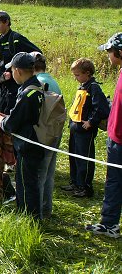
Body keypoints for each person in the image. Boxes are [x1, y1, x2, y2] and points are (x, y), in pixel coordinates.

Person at [0, 52, 45, 219]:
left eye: (12, 70)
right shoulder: (35, 86)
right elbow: (22, 117)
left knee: (25, 183)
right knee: (29, 181)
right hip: (33, 141)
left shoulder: (28, 94)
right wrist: (6, 117)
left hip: (28, 145)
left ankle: (29, 217)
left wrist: (1, 120)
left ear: (18, 71)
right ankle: (30, 213)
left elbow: (11, 124)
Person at [86, 32, 122, 238]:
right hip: (114, 136)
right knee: (113, 181)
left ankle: (110, 224)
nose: (107, 55)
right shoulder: (121, 72)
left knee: (115, 181)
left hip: (120, 141)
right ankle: (109, 223)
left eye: (109, 51)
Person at [63, 58, 110, 198]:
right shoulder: (82, 86)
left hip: (85, 131)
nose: (75, 78)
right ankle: (75, 182)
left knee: (85, 158)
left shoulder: (93, 87)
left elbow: (101, 108)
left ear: (87, 73)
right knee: (74, 156)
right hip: (75, 128)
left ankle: (85, 186)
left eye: (77, 75)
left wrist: (91, 121)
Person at [0, 10, 41, 115]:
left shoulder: (16, 38)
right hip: (3, 84)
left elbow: (37, 53)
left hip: (15, 84)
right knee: (0, 113)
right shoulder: (0, 39)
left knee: (10, 115)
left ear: (7, 22)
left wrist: (21, 69)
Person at [31, 51, 62, 218]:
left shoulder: (39, 83)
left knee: (39, 174)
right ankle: (47, 208)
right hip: (56, 131)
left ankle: (39, 213)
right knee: (49, 173)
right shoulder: (52, 80)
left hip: (45, 134)